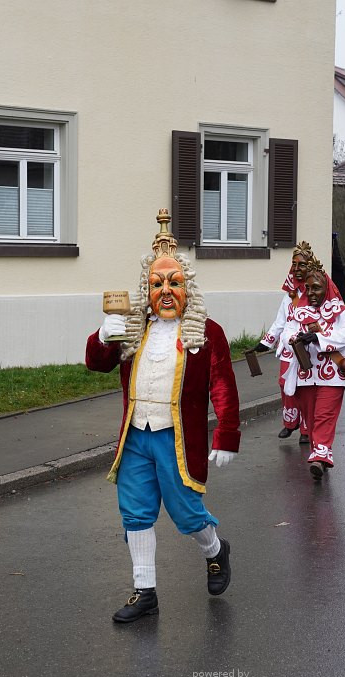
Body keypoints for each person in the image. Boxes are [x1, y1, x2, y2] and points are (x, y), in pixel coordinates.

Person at [86, 211, 239, 624]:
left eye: (174, 283)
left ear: (188, 287)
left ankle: (215, 549)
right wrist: (102, 335)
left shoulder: (208, 333)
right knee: (134, 512)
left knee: (187, 513)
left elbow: (223, 386)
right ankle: (145, 591)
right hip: (136, 435)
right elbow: (96, 364)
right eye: (157, 284)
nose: (165, 291)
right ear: (146, 288)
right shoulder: (132, 329)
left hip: (177, 438)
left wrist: (226, 433)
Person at [284, 255, 345, 480]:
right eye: (308, 288)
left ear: (326, 287)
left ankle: (319, 455)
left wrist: (317, 338)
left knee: (324, 415)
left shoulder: (340, 310)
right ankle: (320, 456)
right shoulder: (298, 311)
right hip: (305, 375)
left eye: (316, 288)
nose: (312, 292)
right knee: (311, 418)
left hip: (332, 375)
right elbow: (287, 332)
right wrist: (297, 338)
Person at [252, 243, 315, 442]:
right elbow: (280, 322)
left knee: (305, 389)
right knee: (284, 385)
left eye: (301, 265)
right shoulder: (289, 297)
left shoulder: (317, 293)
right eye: (293, 265)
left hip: (308, 349)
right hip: (288, 349)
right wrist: (265, 343)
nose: (297, 269)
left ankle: (306, 430)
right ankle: (290, 422)